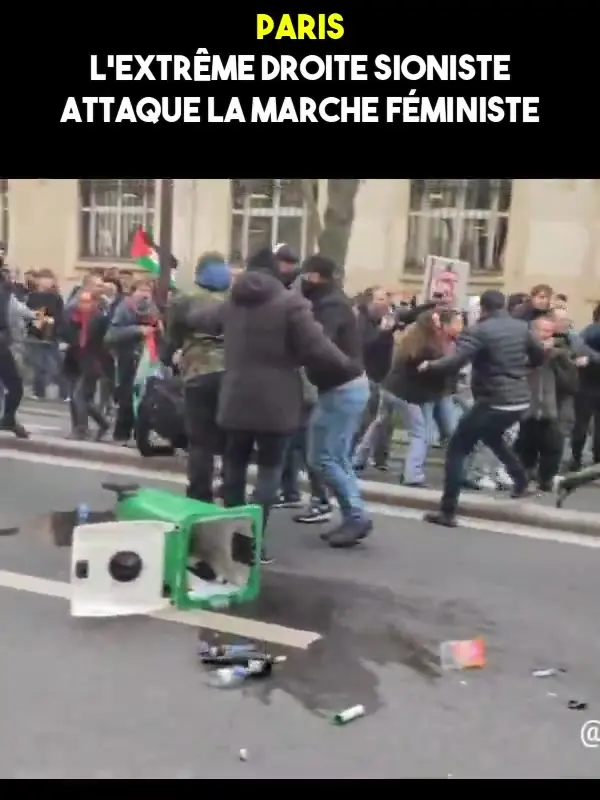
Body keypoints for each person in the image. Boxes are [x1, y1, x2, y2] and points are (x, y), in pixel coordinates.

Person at [183, 247, 352, 564]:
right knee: (268, 473)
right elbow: (317, 346)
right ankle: (252, 542)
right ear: (277, 272)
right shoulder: (290, 303)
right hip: (277, 403)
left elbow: (199, 318)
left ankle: (231, 537)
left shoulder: (232, 302)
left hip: (234, 396)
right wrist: (347, 366)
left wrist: (184, 308)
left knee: (233, 468)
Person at [419, 289, 545, 527]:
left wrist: (430, 366)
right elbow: (539, 354)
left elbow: (456, 360)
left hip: (494, 400)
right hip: (519, 399)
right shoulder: (521, 327)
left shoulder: (479, 331)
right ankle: (521, 482)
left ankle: (447, 512)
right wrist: (524, 367)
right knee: (493, 437)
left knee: (458, 448)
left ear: (483, 308)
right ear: (504, 306)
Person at [300, 254, 372, 547]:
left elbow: (319, 341)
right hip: (346, 387)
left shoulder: (330, 305)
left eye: (306, 275)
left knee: (322, 457)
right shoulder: (334, 301)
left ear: (318, 276)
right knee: (336, 457)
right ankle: (352, 515)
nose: (302, 280)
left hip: (341, 389)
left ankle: (356, 516)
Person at [168, 252, 231, 503]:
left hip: (198, 371)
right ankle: (230, 489)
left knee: (201, 440)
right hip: (232, 373)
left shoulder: (184, 298)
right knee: (230, 438)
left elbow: (173, 334)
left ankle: (199, 494)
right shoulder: (234, 299)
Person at [380, 308, 463, 487]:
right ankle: (412, 474)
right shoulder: (427, 347)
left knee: (382, 424)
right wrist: (439, 368)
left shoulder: (414, 340)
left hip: (402, 392)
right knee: (421, 434)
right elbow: (423, 374)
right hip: (412, 395)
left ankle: (359, 460)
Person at [513, 313, 579, 491]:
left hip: (552, 408)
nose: (547, 335)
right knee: (527, 445)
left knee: (553, 445)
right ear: (533, 331)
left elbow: (571, 383)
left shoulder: (560, 353)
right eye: (543, 331)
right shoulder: (522, 349)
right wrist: (542, 352)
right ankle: (525, 476)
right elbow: (522, 366)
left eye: (550, 331)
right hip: (526, 406)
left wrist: (560, 359)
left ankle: (546, 479)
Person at [104, 279, 160, 444]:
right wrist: (138, 330)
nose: (145, 294)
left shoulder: (154, 309)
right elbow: (112, 334)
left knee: (147, 398)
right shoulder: (125, 308)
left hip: (149, 358)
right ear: (133, 292)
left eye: (148, 291)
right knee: (127, 397)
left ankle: (140, 434)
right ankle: (121, 434)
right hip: (128, 358)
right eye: (141, 290)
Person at [61, 290, 110, 440]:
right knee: (82, 398)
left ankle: (82, 429)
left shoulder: (100, 319)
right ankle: (102, 424)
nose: (82, 305)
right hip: (75, 360)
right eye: (81, 301)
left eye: (87, 301)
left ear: (94, 303)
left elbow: (103, 341)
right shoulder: (74, 317)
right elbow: (66, 334)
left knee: (79, 396)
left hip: (92, 362)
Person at [25, 269, 69, 401]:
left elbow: (61, 315)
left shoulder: (56, 297)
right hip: (35, 334)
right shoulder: (33, 296)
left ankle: (64, 393)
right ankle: (38, 391)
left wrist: (53, 321)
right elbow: (28, 312)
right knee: (39, 364)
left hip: (52, 335)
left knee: (57, 364)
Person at [0, 270, 31, 438]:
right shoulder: (5, 293)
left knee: (14, 385)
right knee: (15, 386)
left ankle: (8, 419)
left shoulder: (6, 292)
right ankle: (8, 419)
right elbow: (18, 311)